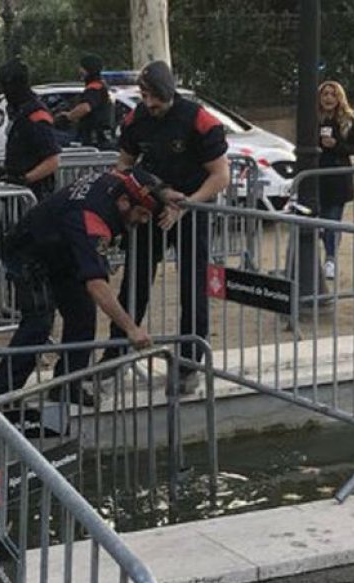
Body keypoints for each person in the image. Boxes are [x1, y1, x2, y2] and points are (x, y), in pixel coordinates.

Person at [0, 168, 179, 407]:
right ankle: (0, 399)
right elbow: (97, 285)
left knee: (83, 316)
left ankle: (67, 386)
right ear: (123, 202)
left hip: (62, 251)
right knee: (39, 322)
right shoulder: (92, 221)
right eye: (140, 214)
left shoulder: (122, 181)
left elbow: (144, 178)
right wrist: (131, 328)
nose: (142, 221)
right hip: (27, 252)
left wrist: (166, 196)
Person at [99, 60, 230, 394]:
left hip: (192, 210)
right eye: (145, 97)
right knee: (134, 282)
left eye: (157, 98)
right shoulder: (136, 118)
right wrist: (143, 193)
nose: (151, 104)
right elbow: (124, 165)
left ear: (170, 93)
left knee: (193, 287)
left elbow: (220, 176)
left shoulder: (198, 119)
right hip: (149, 210)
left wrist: (186, 204)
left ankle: (190, 364)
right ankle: (115, 357)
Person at [0, 58, 61, 201]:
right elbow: (22, 156)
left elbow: (53, 161)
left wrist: (25, 179)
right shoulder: (20, 113)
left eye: (4, 86)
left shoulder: (36, 115)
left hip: (35, 197)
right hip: (17, 197)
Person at [317, 80, 354, 280]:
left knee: (333, 221)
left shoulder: (347, 120)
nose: (328, 98)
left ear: (339, 98)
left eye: (332, 94)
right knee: (317, 221)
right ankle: (318, 257)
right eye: (325, 94)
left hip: (338, 176)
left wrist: (336, 144)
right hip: (317, 176)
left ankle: (331, 259)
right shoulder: (314, 119)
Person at [55, 54, 114, 149]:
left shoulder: (94, 88)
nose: (79, 71)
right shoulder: (99, 86)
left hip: (93, 137)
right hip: (94, 136)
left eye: (81, 68)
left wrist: (68, 117)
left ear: (88, 69)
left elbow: (85, 107)